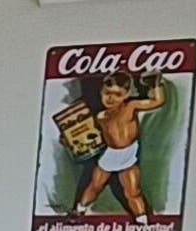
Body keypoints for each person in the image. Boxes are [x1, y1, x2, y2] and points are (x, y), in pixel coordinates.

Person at [64, 71, 168, 220]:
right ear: (101, 91)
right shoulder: (100, 116)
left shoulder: (131, 106)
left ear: (126, 95)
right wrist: (69, 138)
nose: (111, 98)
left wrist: (156, 84)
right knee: (95, 186)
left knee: (133, 192)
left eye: (118, 94)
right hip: (110, 155)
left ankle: (143, 224)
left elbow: (158, 101)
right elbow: (84, 134)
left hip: (129, 154)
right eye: (107, 93)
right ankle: (79, 210)